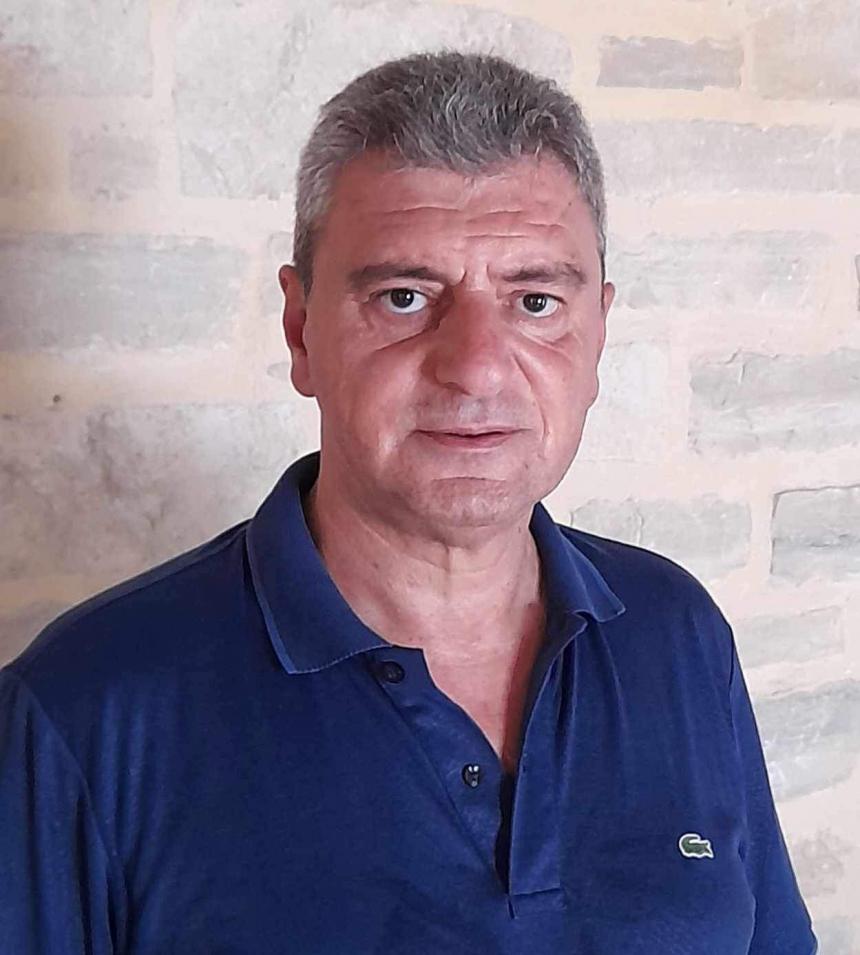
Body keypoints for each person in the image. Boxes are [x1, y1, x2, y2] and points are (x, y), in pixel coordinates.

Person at [0, 50, 817, 954]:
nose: (476, 367)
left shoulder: (677, 633)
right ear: (300, 329)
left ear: (597, 335)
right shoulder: (82, 713)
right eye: (404, 296)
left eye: (535, 301)